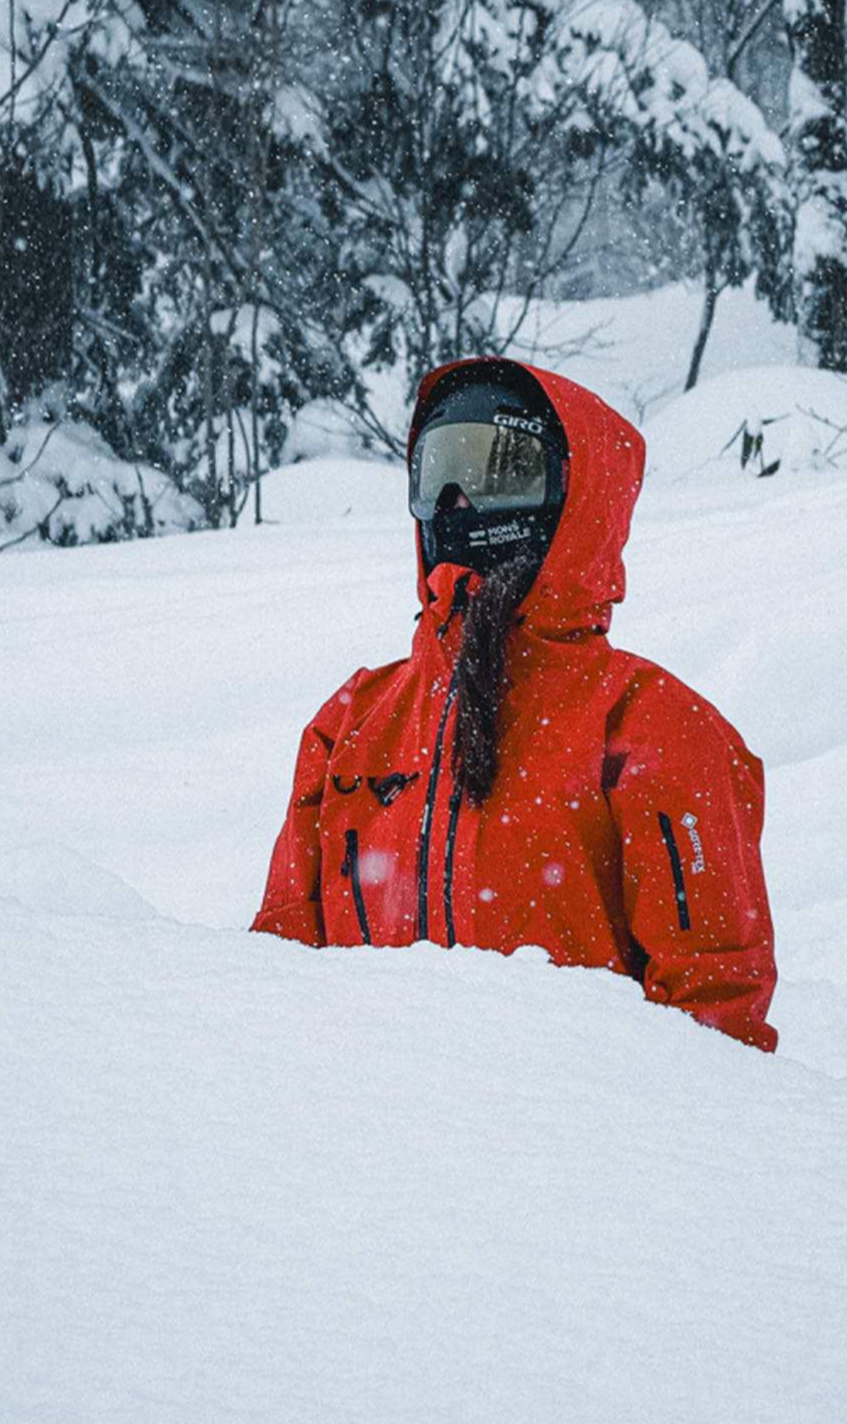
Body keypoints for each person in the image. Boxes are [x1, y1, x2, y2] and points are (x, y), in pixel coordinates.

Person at [253, 357, 778, 1051]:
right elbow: (276, 979)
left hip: (562, 1142)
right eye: (438, 471)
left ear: (572, 494)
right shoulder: (351, 723)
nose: (455, 502)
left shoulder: (652, 726)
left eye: (495, 471)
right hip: (367, 1139)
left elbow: (716, 1026)